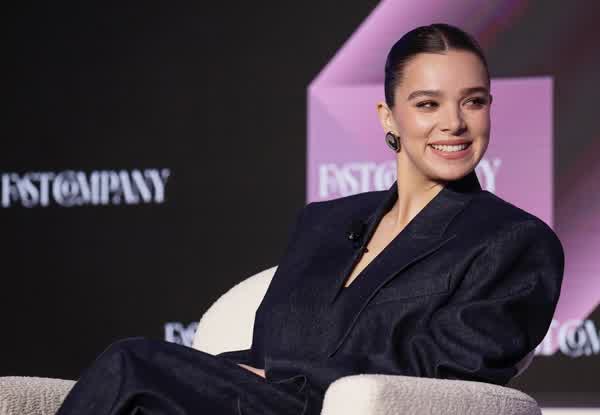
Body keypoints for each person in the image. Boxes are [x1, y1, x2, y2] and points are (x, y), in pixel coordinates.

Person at [55, 23, 564, 415]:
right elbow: (268, 346)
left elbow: (451, 369)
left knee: (131, 364)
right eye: (428, 104)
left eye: (473, 102)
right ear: (389, 117)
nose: (454, 122)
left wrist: (278, 375)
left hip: (337, 408)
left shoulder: (514, 240)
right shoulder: (324, 222)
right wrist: (229, 372)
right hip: (259, 401)